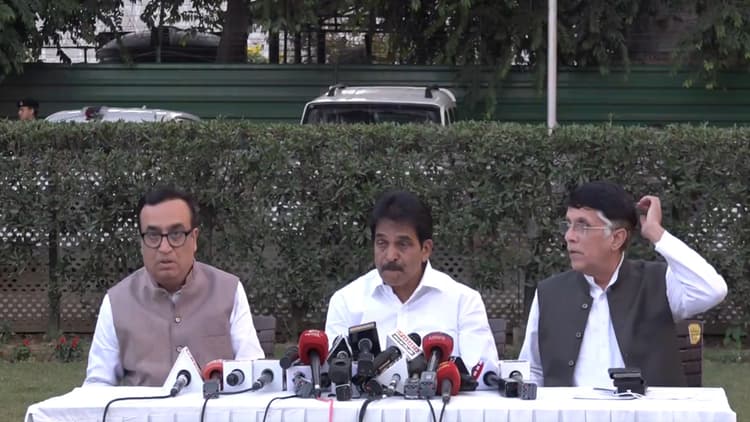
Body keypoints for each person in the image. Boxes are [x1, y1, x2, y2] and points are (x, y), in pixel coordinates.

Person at [519, 181, 728, 387]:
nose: (569, 236)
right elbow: (533, 370)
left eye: (582, 226)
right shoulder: (550, 293)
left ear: (616, 239)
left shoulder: (657, 283)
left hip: (646, 408)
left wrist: (655, 232)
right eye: (568, 225)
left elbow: (712, 290)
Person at [83, 187, 264, 386]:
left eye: (176, 234)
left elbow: (252, 371)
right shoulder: (117, 301)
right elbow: (98, 384)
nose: (164, 248)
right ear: (141, 243)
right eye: (153, 236)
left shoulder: (228, 290)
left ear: (194, 238)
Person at [325, 190, 499, 373]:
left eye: (402, 244)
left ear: (425, 249)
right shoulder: (346, 301)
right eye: (382, 243)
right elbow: (331, 375)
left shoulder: (463, 302)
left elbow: (482, 376)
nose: (390, 256)